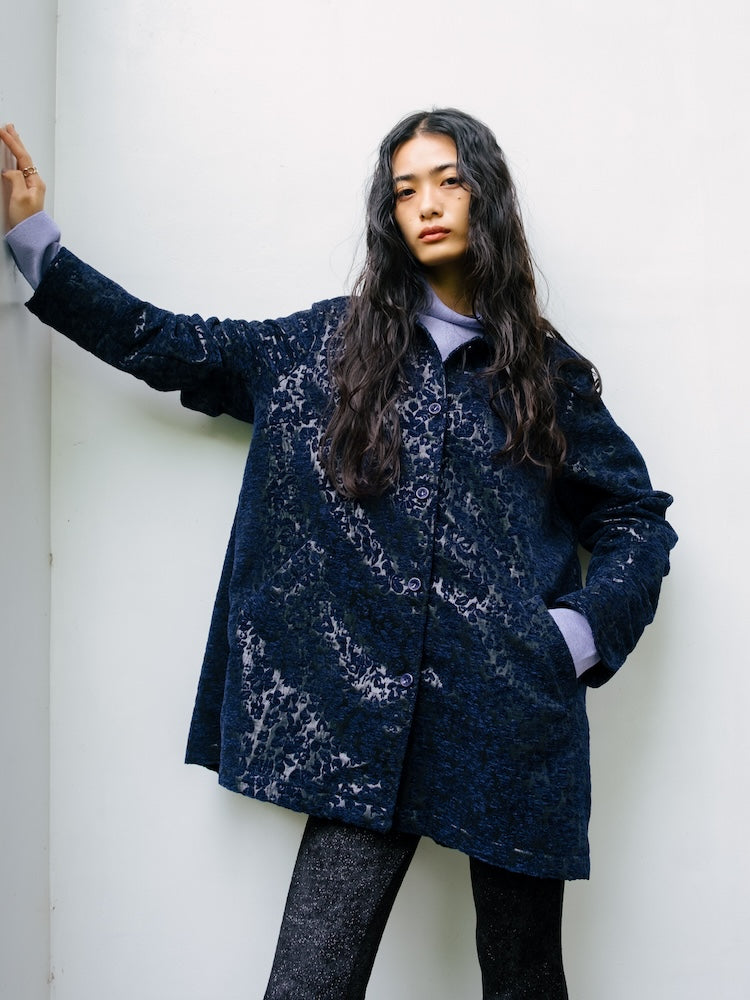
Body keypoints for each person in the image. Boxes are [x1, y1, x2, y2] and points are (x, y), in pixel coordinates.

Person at [1, 111, 677, 999]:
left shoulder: (547, 376)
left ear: (487, 197)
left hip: (511, 719)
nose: (427, 204)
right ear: (388, 215)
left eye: (449, 180)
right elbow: (172, 343)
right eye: (405, 190)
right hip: (368, 728)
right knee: (308, 983)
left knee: (524, 981)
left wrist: (574, 637)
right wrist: (34, 242)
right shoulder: (324, 347)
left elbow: (636, 518)